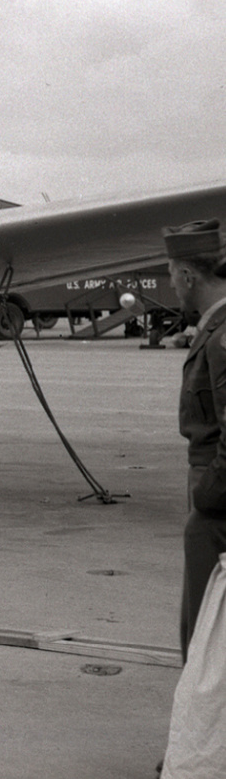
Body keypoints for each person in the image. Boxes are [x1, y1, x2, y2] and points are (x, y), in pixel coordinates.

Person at [165, 219, 226, 661]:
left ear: (188, 275)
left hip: (214, 488)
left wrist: (206, 498)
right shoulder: (213, 327)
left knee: (203, 626)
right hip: (208, 481)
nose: (172, 285)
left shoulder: (221, 337)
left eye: (171, 274)